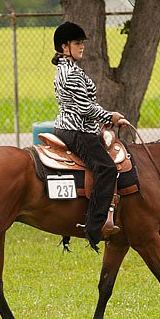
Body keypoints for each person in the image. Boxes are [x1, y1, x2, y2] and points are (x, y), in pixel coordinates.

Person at [50, 21, 131, 249]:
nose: (82, 47)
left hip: (79, 128)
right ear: (64, 47)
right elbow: (86, 108)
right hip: (76, 131)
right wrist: (111, 116)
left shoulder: (71, 68)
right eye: (77, 43)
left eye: (81, 43)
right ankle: (95, 227)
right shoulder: (70, 73)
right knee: (106, 168)